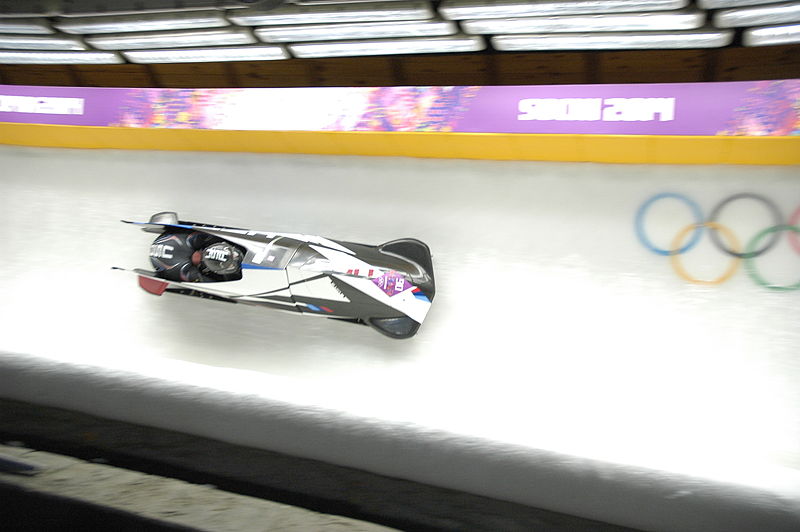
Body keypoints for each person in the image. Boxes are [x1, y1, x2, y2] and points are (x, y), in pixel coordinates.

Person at [149, 231, 243, 282]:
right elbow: (208, 282)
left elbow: (214, 235)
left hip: (171, 241)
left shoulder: (193, 240)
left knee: (208, 238)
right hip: (168, 262)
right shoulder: (185, 271)